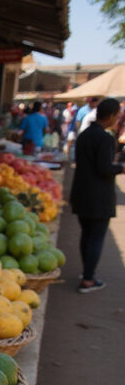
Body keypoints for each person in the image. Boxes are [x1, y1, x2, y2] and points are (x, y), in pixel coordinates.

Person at [69, 97, 124, 293]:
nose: (117, 119)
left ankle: (87, 272)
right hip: (98, 197)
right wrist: (121, 168)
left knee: (87, 235)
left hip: (82, 193)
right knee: (96, 237)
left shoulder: (84, 135)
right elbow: (104, 168)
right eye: (117, 116)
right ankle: (88, 279)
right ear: (111, 116)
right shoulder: (104, 138)